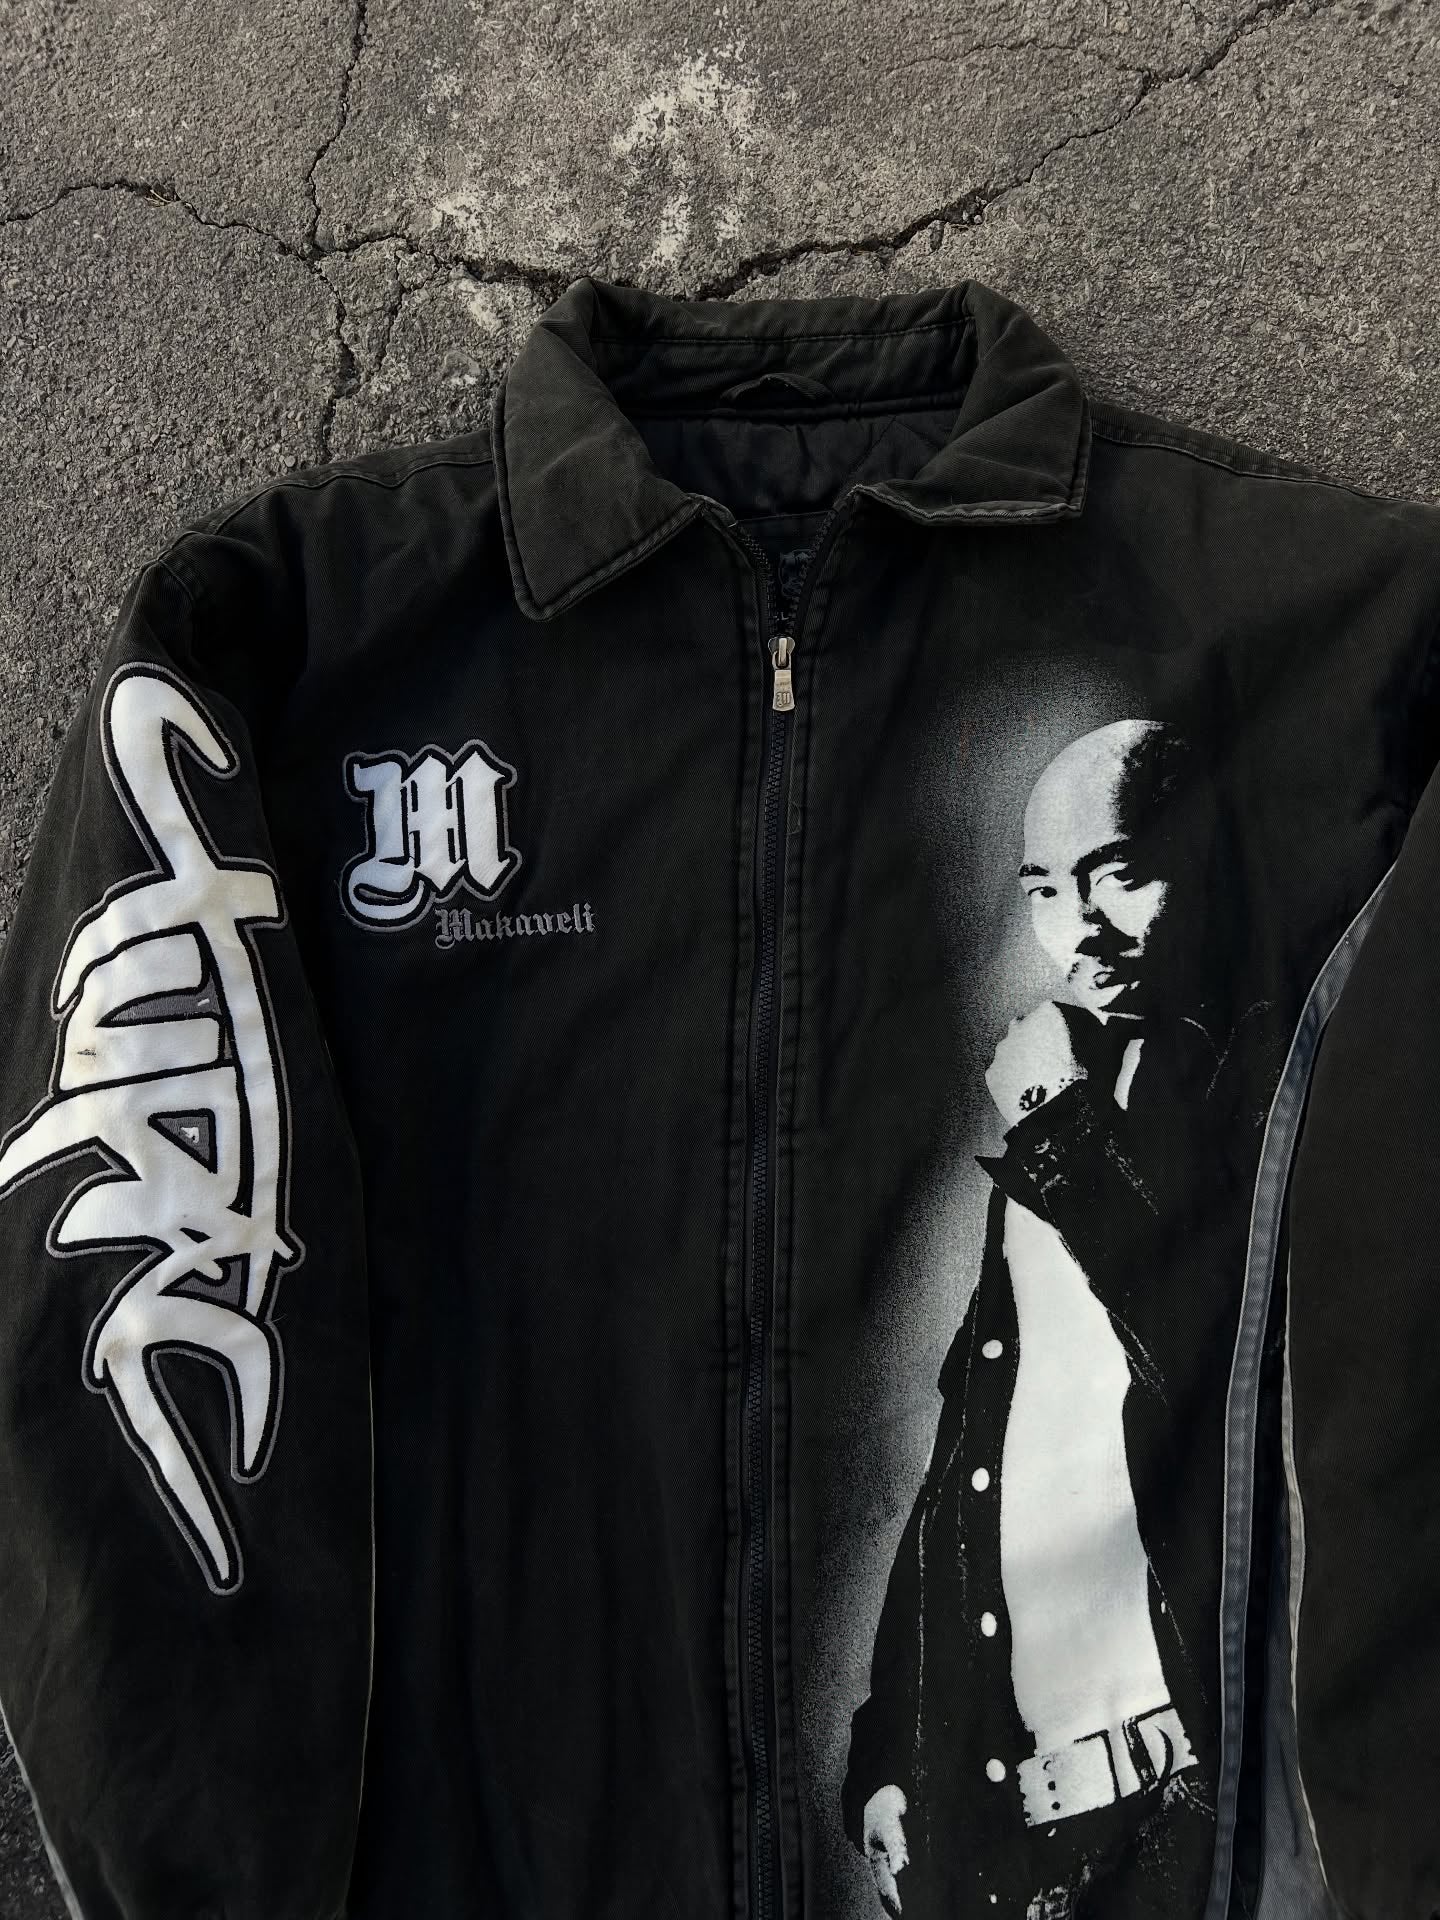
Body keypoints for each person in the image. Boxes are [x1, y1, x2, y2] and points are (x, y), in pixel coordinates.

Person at [840, 719, 1288, 1920]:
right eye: (1045, 888)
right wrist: (892, 1747)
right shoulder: (1064, 1117)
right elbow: (973, 1459)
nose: (1080, 925)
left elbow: (1206, 1359)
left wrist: (1054, 1123)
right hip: (1031, 1841)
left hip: (1193, 1817)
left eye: (1119, 875)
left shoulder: (1257, 1083)